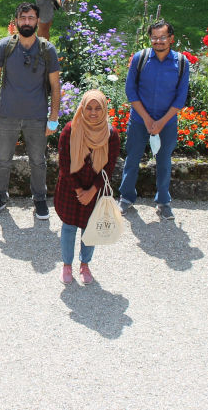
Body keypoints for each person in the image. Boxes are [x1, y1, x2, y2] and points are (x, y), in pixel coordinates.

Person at [0, 3, 61, 220]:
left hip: (36, 116)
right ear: (16, 20)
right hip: (7, 115)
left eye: (31, 18)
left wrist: (53, 118)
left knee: (38, 161)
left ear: (37, 20)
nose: (27, 22)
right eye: (23, 18)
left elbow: (55, 86)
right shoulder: (5, 46)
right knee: (3, 160)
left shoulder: (47, 50)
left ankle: (40, 199)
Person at [118, 19, 190, 221]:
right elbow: (131, 91)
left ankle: (163, 202)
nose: (158, 41)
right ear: (150, 38)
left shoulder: (182, 63)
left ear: (171, 39)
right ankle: (126, 197)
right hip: (140, 120)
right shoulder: (140, 58)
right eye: (154, 37)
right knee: (132, 158)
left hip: (167, 122)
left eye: (163, 37)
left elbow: (180, 97)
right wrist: (148, 119)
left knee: (164, 161)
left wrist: (161, 122)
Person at [54, 90, 120, 285]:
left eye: (98, 108)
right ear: (82, 108)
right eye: (88, 107)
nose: (93, 112)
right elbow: (64, 165)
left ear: (104, 109)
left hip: (96, 190)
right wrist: (79, 191)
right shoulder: (70, 130)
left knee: (90, 230)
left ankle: (85, 265)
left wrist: (92, 191)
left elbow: (109, 167)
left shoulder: (111, 134)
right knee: (68, 227)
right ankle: (67, 265)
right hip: (70, 188)